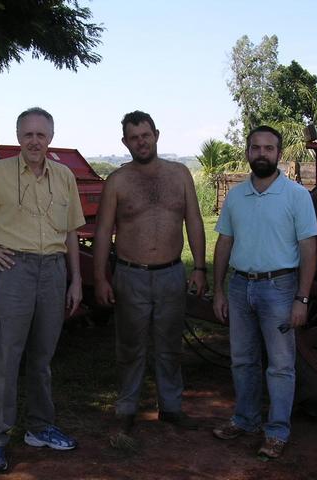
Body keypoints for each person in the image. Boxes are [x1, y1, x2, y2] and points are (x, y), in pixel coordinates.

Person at [0, 107, 85, 473]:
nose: (35, 141)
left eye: (41, 134)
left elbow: (71, 231)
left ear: (50, 137)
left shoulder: (65, 176)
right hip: (15, 269)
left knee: (42, 356)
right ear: (18, 137)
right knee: (3, 356)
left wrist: (77, 280)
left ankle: (39, 427)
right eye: (28, 134)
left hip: (53, 271)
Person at [93, 110, 207, 437]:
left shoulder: (180, 174)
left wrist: (199, 268)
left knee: (170, 344)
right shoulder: (118, 181)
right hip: (131, 276)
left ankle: (171, 408)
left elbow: (195, 222)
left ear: (156, 134)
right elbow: (103, 232)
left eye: (145, 135)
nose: (140, 142)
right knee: (130, 346)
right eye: (133, 137)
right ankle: (126, 410)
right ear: (125, 142)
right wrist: (101, 277)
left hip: (172, 273)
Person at [211, 125, 317, 459]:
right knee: (242, 360)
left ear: (279, 154)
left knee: (281, 365)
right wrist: (218, 290)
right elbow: (225, 242)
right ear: (248, 152)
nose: (261, 154)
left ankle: (277, 432)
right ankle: (245, 420)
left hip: (280, 288)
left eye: (268, 148)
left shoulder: (297, 196)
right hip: (240, 285)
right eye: (255, 148)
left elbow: (309, 249)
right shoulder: (235, 196)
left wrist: (302, 297)